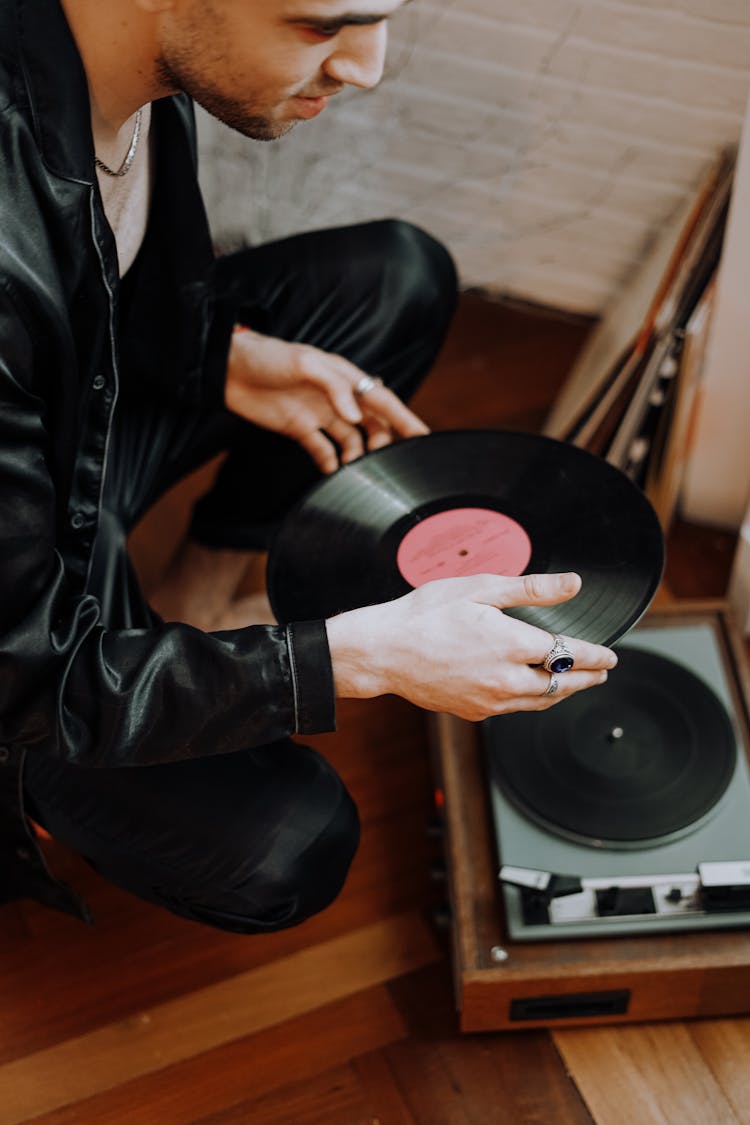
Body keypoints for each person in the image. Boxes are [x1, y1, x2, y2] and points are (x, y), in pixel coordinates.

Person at [0, 0, 617, 932]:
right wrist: (357, 656)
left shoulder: (131, 55)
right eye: (323, 24)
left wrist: (223, 358)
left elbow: (97, 275)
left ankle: (194, 594)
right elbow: (31, 678)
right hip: (25, 663)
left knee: (397, 282)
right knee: (290, 843)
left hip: (61, 438)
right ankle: (39, 797)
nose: (370, 66)